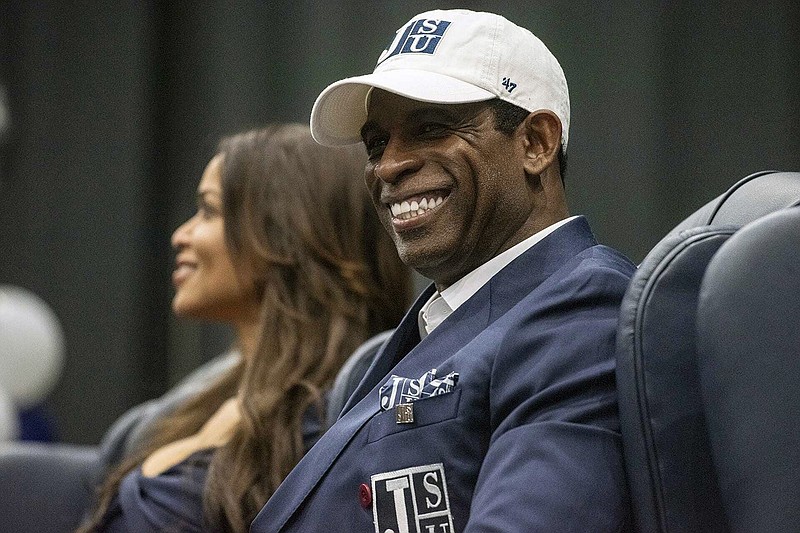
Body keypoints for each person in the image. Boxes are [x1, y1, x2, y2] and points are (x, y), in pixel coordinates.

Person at [251, 9, 636, 532]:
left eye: (431, 129)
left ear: (535, 144)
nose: (388, 166)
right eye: (377, 144)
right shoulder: (440, 321)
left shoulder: (583, 313)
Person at [76, 124, 413, 532]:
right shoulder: (193, 402)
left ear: (284, 234)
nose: (180, 235)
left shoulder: (336, 424)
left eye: (209, 210)